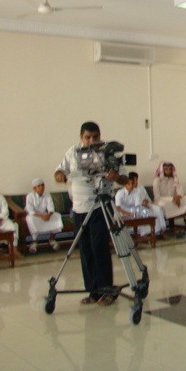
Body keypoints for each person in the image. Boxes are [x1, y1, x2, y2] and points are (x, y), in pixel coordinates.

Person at [55, 121, 128, 306]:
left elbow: (124, 178)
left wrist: (116, 177)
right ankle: (93, 291)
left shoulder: (108, 152)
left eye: (95, 137)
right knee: (85, 249)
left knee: (99, 247)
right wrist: (60, 175)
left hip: (99, 206)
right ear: (81, 137)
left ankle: (107, 290)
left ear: (99, 136)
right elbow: (59, 170)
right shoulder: (72, 152)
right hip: (79, 208)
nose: (91, 140)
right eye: (87, 137)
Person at [25, 178, 64, 254]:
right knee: (30, 219)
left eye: (42, 185)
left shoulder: (47, 194)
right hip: (35, 216)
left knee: (57, 216)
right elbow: (30, 210)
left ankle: (51, 239)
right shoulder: (30, 196)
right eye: (39, 186)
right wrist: (41, 216)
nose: (41, 187)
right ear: (34, 188)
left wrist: (48, 215)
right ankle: (34, 241)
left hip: (45, 215)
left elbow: (51, 208)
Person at [152, 162, 186, 226]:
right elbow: (157, 197)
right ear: (162, 170)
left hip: (176, 200)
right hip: (163, 201)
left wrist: (178, 196)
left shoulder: (174, 179)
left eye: (170, 169)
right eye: (166, 169)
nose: (168, 171)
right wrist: (172, 199)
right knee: (161, 204)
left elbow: (180, 191)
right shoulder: (157, 181)